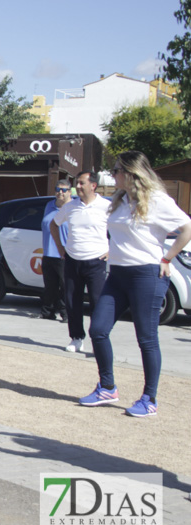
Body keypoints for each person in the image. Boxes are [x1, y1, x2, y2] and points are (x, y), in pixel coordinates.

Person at [79, 151, 191, 417]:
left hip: (146, 276)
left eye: (117, 170)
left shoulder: (158, 201)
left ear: (132, 173)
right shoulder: (118, 201)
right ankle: (107, 387)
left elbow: (187, 227)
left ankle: (149, 399)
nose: (113, 174)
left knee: (147, 339)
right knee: (98, 330)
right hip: (117, 275)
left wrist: (167, 257)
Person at [51, 171, 110, 354]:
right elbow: (54, 224)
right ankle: (76, 338)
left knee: (97, 302)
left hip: (96, 261)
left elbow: (118, 228)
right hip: (72, 260)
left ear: (93, 185)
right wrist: (60, 248)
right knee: (72, 300)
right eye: (77, 183)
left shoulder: (106, 206)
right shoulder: (70, 207)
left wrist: (111, 249)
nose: (77, 186)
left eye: (81, 183)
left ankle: (99, 340)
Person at [35, 180, 72, 322]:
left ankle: (67, 313)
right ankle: (47, 312)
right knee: (50, 286)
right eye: (58, 189)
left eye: (64, 190)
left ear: (70, 192)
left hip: (64, 254)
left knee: (65, 286)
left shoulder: (73, 207)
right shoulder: (49, 205)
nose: (60, 192)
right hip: (48, 252)